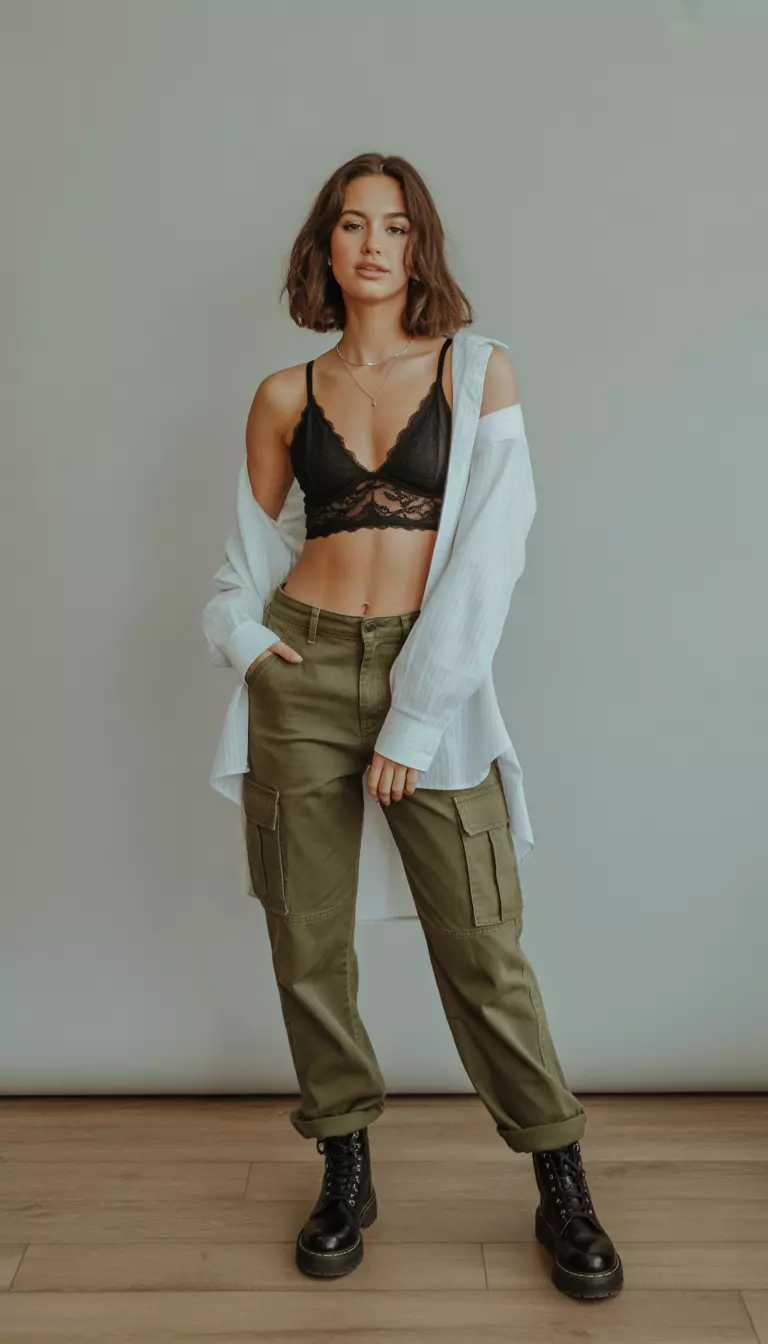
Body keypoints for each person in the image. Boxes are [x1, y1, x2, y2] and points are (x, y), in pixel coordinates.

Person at [202, 152, 623, 1299]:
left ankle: (560, 1180)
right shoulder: (284, 395)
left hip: (426, 678)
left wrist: (415, 721)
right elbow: (239, 575)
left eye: (394, 225)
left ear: (419, 245)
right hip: (302, 670)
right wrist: (249, 649)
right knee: (307, 938)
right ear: (325, 250)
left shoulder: (479, 373)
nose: (374, 244)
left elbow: (489, 563)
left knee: (482, 942)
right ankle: (345, 1163)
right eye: (351, 225)